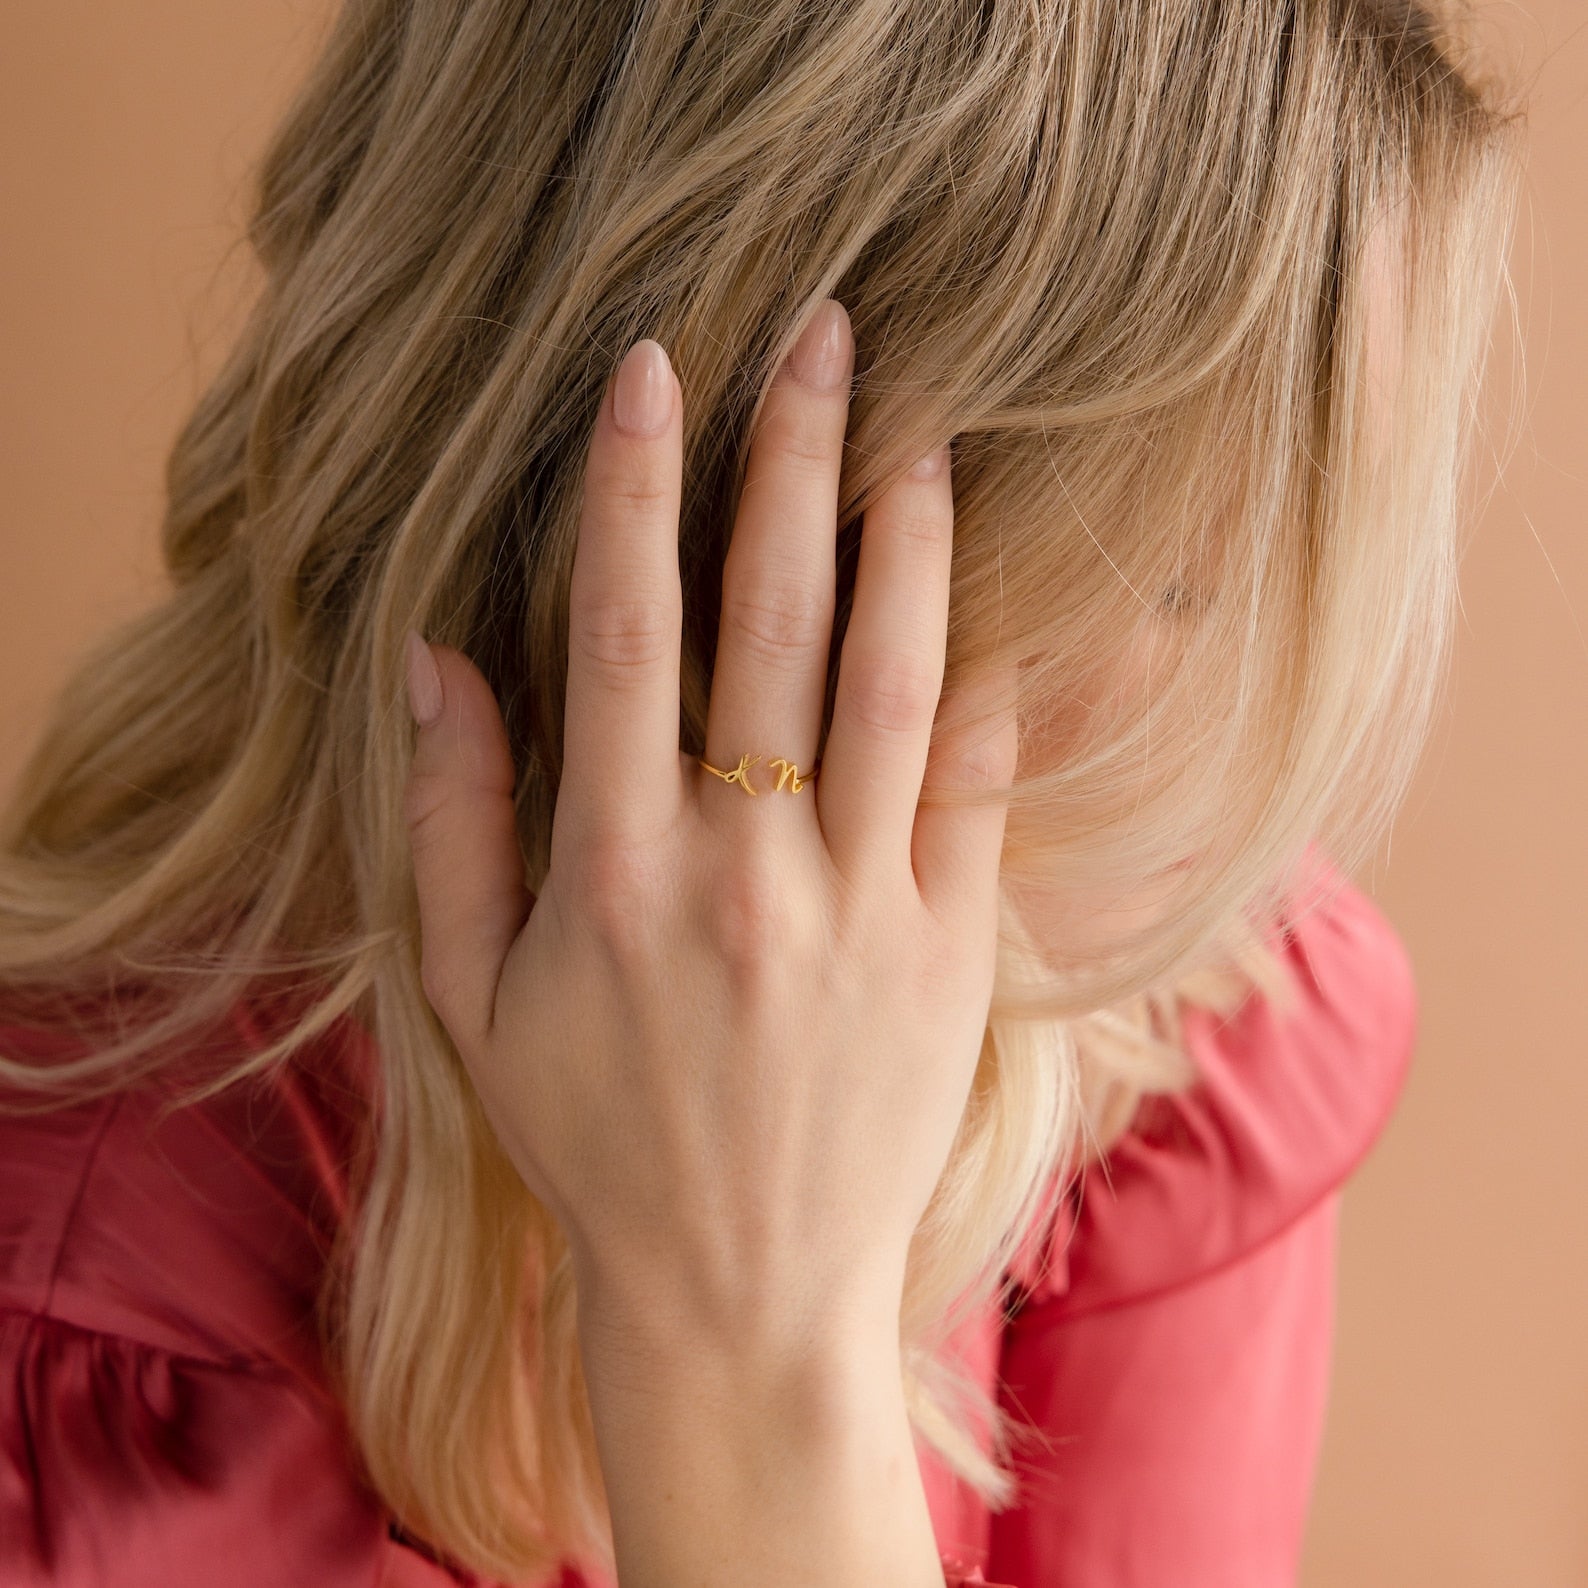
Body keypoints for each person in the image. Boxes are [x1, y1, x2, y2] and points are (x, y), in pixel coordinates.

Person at [0, 1, 1516, 1584]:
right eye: (1190, 588)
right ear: (752, 566)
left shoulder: (1151, 1026)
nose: (1250, 757)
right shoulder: (103, 1374)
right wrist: (751, 1359)